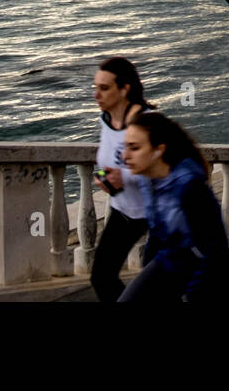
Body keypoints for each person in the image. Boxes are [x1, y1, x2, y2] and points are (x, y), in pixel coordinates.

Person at [120, 112, 229, 302]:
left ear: (158, 150)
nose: (125, 156)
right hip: (170, 261)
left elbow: (209, 253)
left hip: (210, 276)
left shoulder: (190, 187)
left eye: (134, 148)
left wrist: (190, 295)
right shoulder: (148, 180)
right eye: (125, 147)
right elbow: (157, 236)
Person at [91, 57, 154, 302]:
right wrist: (104, 177)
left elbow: (167, 169)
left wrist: (125, 175)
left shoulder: (147, 123)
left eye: (104, 88)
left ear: (124, 89)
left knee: (161, 287)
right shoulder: (106, 121)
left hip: (158, 213)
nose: (96, 95)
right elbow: (105, 161)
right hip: (124, 212)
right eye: (95, 88)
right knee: (101, 276)